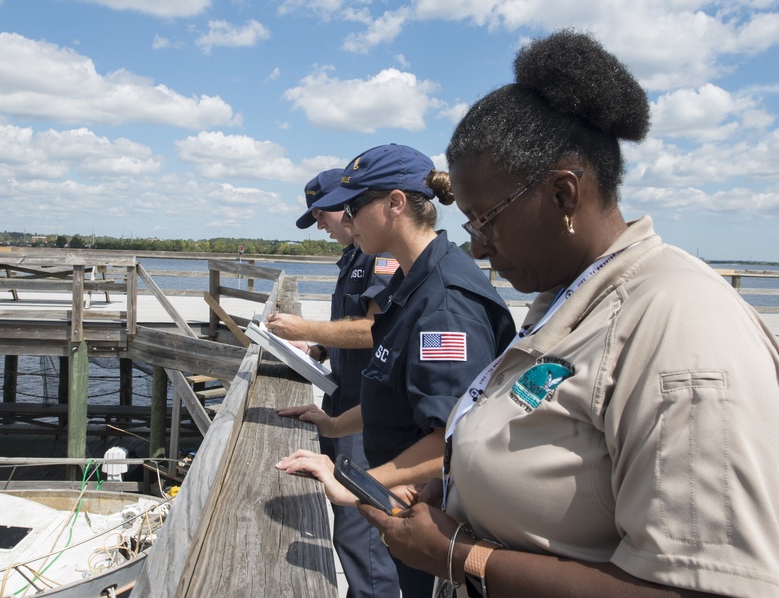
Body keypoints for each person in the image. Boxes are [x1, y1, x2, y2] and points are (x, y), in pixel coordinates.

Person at [357, 30, 779, 598]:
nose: (476, 247)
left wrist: (464, 556)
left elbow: (704, 587)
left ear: (563, 195)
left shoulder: (680, 327)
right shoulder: (565, 300)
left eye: (486, 220)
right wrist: (462, 495)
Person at [276, 144, 516, 598]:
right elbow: (394, 392)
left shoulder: (443, 303)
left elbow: (456, 436)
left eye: (354, 205)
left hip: (436, 514)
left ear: (395, 204)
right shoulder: (413, 283)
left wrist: (360, 480)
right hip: (409, 495)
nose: (346, 218)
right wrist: (332, 423)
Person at [267, 169, 401, 597]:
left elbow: (375, 329)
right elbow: (349, 330)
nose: (320, 227)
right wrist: (319, 350)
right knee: (348, 524)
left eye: (321, 216)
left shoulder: (379, 257)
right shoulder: (352, 256)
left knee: (361, 527)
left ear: (348, 207)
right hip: (343, 400)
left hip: (366, 410)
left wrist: (307, 327)